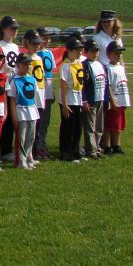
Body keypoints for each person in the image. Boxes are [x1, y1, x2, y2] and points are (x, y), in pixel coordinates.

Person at [6, 53, 39, 170]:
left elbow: (34, 97)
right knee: (22, 137)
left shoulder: (32, 79)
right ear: (18, 65)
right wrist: (14, 116)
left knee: (31, 137)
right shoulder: (14, 80)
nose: (28, 67)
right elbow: (12, 100)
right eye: (25, 64)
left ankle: (29, 157)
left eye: (29, 64)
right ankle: (21, 160)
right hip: (21, 111)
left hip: (32, 111)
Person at [0, 15, 21, 163]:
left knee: (12, 118)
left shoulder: (15, 47)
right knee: (2, 118)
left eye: (16, 29)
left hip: (14, 83)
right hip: (3, 82)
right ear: (4, 29)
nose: (14, 31)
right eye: (12, 28)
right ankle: (0, 150)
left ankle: (8, 149)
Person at [58, 37, 85, 162]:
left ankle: (75, 150)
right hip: (68, 100)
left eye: (80, 50)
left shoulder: (78, 63)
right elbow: (63, 85)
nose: (79, 52)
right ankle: (66, 152)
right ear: (69, 50)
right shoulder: (65, 65)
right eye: (76, 50)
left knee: (77, 127)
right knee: (68, 127)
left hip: (77, 99)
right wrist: (64, 104)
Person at [21, 30, 46, 164]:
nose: (37, 46)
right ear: (28, 43)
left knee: (38, 126)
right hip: (29, 95)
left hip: (40, 93)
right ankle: (25, 153)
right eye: (34, 43)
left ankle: (33, 153)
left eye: (38, 43)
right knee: (28, 128)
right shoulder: (24, 57)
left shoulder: (39, 58)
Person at [81, 39, 107, 160]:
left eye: (97, 51)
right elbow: (82, 85)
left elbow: (105, 83)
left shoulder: (100, 65)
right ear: (86, 52)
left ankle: (97, 147)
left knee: (99, 126)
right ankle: (90, 150)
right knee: (90, 127)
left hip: (100, 99)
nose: (95, 53)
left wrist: (106, 98)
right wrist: (84, 100)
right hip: (91, 100)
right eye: (92, 51)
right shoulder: (85, 66)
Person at [33, 27, 57, 160]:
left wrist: (52, 90)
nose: (47, 41)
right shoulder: (35, 55)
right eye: (44, 38)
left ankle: (42, 144)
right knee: (38, 119)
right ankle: (36, 146)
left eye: (48, 38)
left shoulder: (49, 53)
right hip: (38, 90)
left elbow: (50, 73)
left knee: (46, 120)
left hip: (47, 89)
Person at [103, 42, 130, 155]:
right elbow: (108, 85)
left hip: (122, 99)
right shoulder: (107, 68)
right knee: (109, 125)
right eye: (116, 53)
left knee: (118, 125)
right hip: (113, 101)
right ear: (109, 54)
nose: (118, 56)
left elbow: (124, 83)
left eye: (120, 54)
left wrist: (126, 100)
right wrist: (111, 100)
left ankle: (116, 145)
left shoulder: (120, 67)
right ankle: (107, 146)